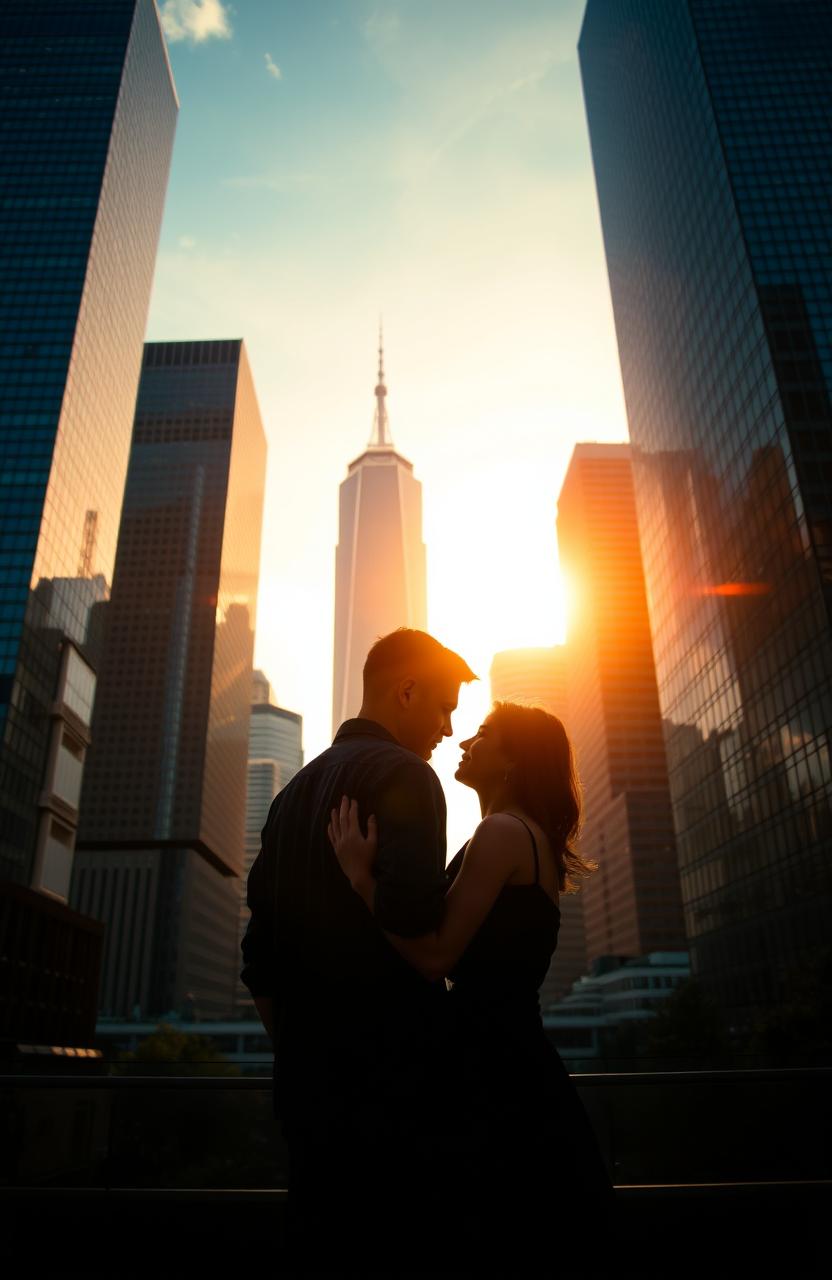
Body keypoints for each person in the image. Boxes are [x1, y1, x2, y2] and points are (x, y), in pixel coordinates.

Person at [329, 700, 614, 1270]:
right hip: (514, 1062)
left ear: (513, 761)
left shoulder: (503, 833)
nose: (463, 742)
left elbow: (435, 957)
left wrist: (360, 881)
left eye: (483, 734)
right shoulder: (524, 836)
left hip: (491, 1075)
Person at [240, 627, 476, 1269]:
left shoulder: (290, 797)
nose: (449, 729)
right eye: (444, 706)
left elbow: (256, 957)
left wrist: (298, 1045)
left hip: (306, 1092)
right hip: (398, 1092)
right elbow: (414, 922)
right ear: (406, 690)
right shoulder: (407, 776)